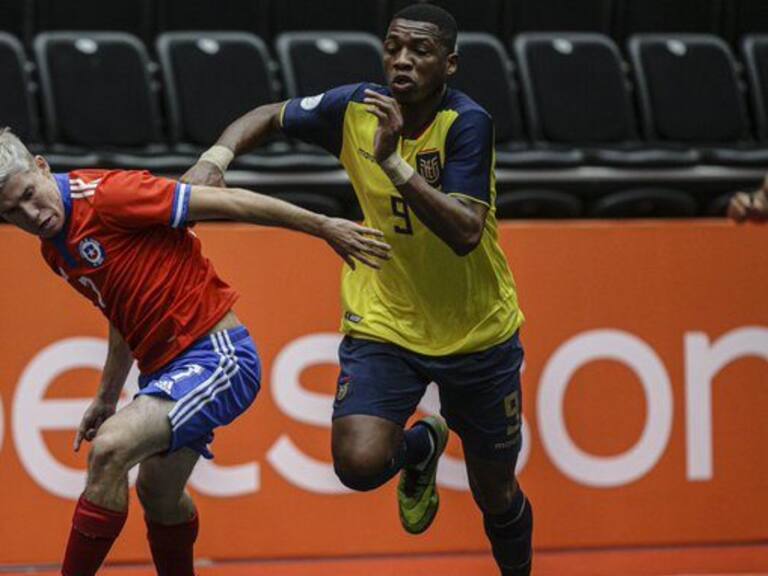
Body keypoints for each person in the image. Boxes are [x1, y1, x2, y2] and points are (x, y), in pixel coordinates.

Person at [183, 4, 532, 575]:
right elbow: (270, 115)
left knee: (496, 493)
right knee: (359, 463)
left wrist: (392, 162)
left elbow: (465, 233)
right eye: (394, 46)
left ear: (449, 65)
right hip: (386, 321)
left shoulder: (467, 124)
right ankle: (421, 446)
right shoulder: (354, 106)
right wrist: (214, 160)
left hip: (478, 331)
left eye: (419, 51)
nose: (402, 59)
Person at [0, 127, 390, 576]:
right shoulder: (54, 248)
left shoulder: (108, 195)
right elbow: (122, 306)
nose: (31, 214)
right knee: (159, 493)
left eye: (30, 194)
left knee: (110, 450)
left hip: (219, 357)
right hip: (166, 370)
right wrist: (107, 395)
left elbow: (233, 201)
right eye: (12, 211)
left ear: (43, 167)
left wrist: (323, 226)